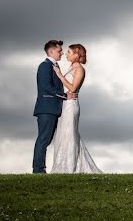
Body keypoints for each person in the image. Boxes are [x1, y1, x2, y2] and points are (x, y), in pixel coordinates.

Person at [50, 43, 102, 174]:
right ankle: (61, 165)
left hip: (71, 105)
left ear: (77, 55)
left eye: (69, 52)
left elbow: (73, 88)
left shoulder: (79, 69)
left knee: (69, 135)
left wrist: (60, 75)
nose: (66, 54)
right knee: (63, 135)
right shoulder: (71, 67)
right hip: (64, 104)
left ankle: (70, 167)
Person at [32, 40, 72, 173]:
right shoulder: (44, 66)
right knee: (43, 139)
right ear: (51, 51)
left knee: (46, 140)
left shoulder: (55, 66)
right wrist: (64, 96)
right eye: (59, 50)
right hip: (46, 109)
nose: (62, 53)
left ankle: (39, 168)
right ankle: (38, 169)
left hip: (53, 109)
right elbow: (46, 86)